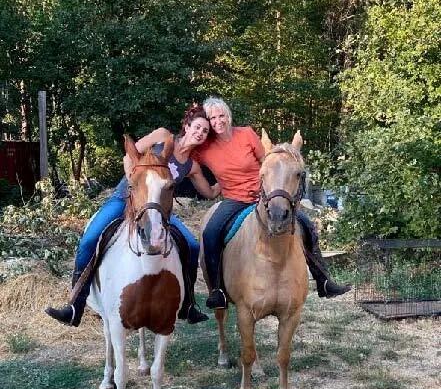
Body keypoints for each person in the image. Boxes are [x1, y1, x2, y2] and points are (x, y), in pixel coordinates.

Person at [45, 105, 220, 327]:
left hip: (157, 211)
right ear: (186, 126)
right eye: (197, 127)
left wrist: (232, 176)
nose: (200, 133)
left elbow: (210, 192)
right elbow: (130, 155)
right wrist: (132, 180)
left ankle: (188, 305)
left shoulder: (192, 166)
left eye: (205, 131)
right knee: (90, 240)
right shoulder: (163, 136)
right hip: (125, 199)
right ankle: (74, 306)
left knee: (192, 246)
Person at [193, 97, 351, 309]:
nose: (218, 121)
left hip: (263, 197)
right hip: (234, 200)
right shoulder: (205, 148)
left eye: (221, 115)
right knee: (210, 233)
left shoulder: (247, 134)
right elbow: (184, 154)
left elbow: (269, 161)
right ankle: (217, 291)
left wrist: (275, 188)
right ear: (208, 122)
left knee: (307, 225)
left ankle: (324, 281)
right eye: (212, 118)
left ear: (228, 116)